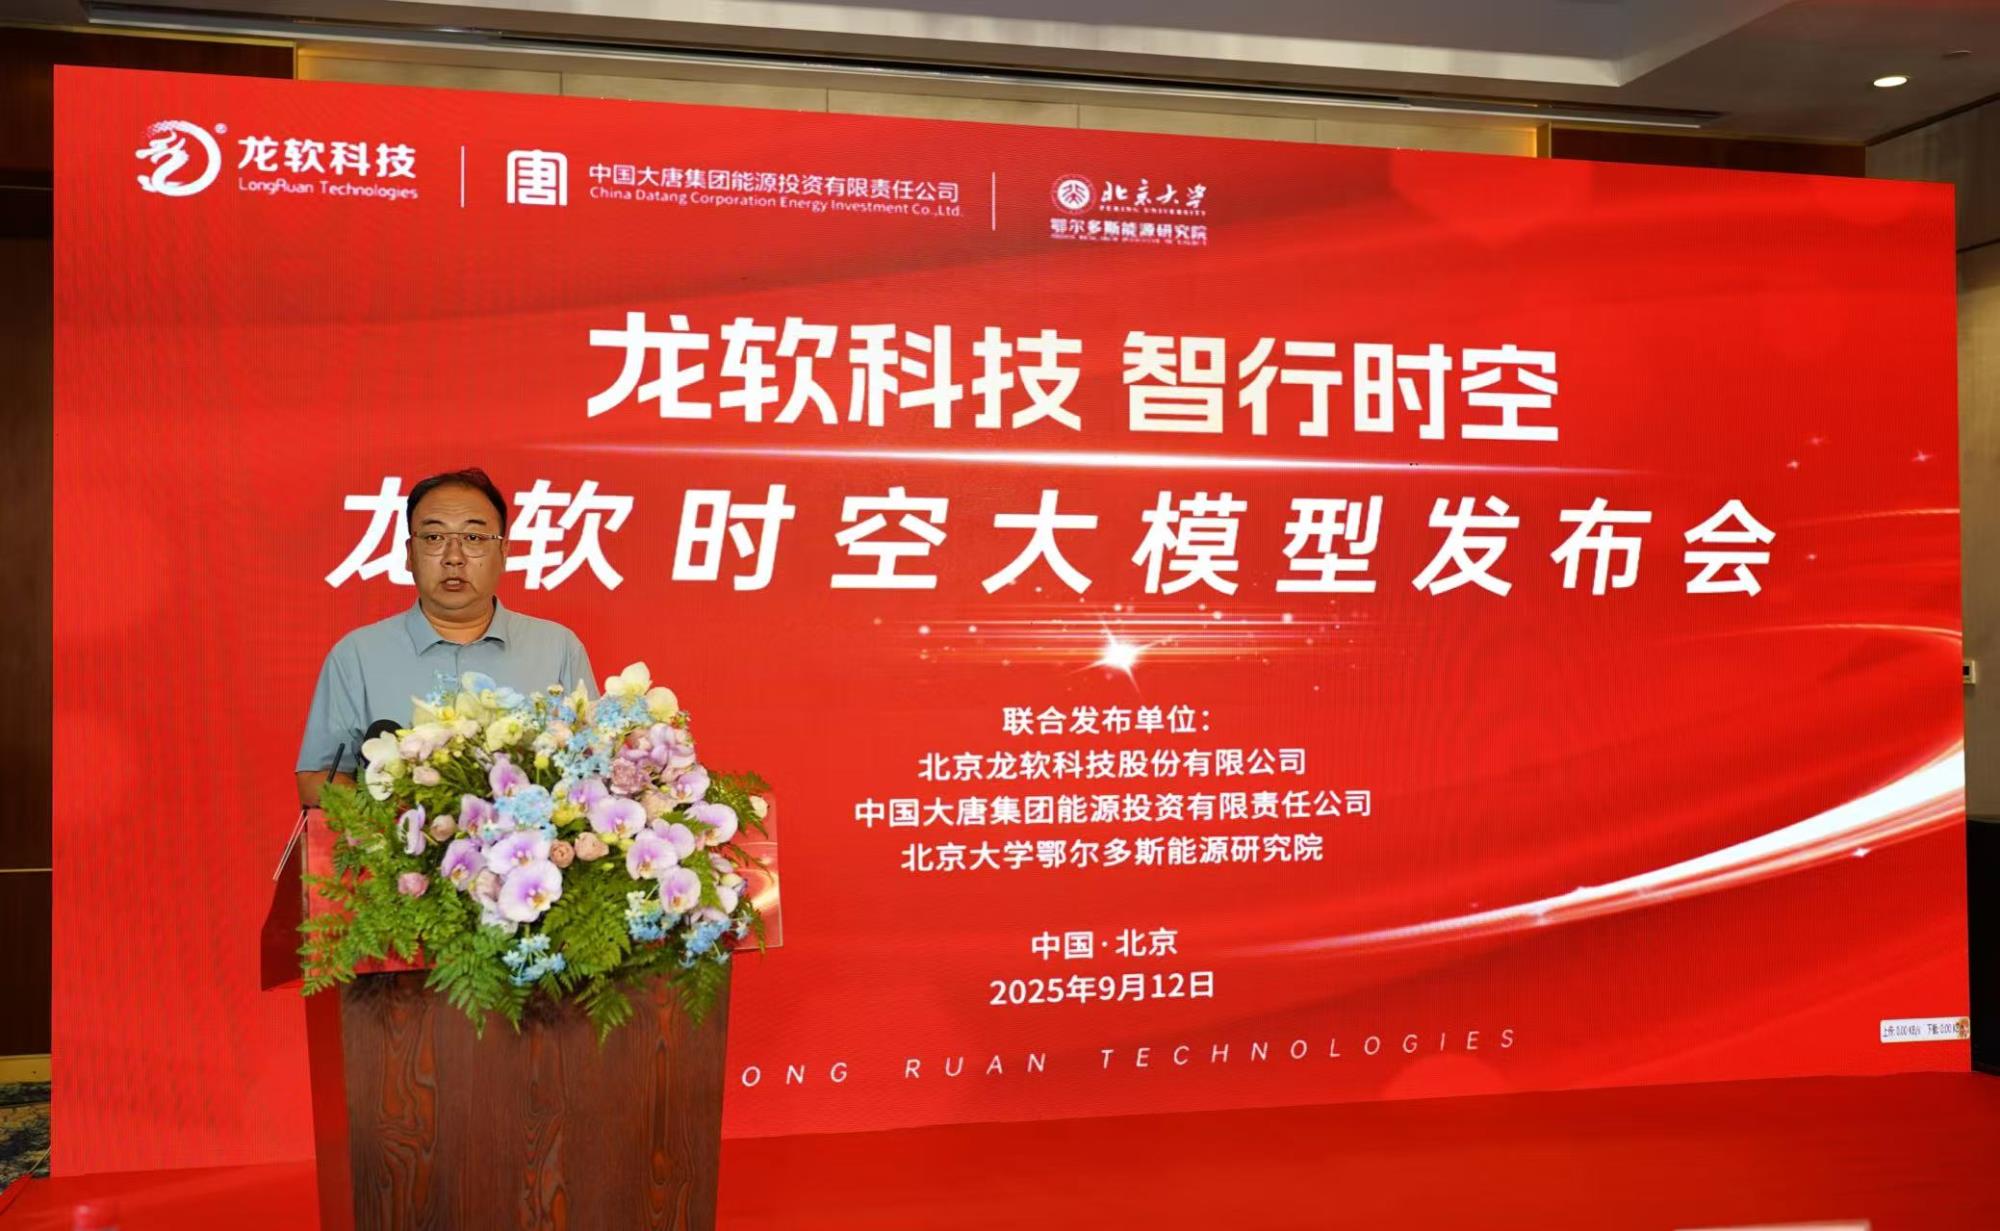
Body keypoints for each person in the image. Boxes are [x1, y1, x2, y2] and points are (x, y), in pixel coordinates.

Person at [295, 468, 596, 805]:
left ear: (504, 552)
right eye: (434, 538)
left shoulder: (557, 648)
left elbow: (593, 769)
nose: (454, 557)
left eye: (474, 538)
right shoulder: (356, 655)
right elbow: (317, 779)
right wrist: (397, 818)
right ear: (410, 553)